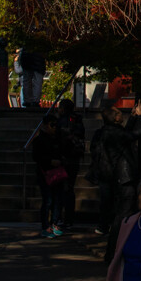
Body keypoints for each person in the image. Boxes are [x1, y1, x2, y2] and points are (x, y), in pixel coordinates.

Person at [88, 102, 141, 237]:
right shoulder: (115, 133)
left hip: (105, 173)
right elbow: (137, 134)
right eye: (119, 114)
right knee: (124, 203)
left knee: (106, 201)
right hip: (118, 173)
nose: (121, 115)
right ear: (115, 118)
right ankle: (117, 229)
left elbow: (125, 134)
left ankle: (104, 226)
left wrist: (132, 118)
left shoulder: (103, 132)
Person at [31, 116, 65, 237]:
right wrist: (50, 161)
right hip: (45, 173)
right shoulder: (39, 140)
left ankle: (54, 222)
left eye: (56, 125)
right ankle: (45, 225)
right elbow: (36, 157)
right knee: (48, 200)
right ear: (45, 125)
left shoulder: (57, 139)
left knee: (57, 199)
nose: (55, 128)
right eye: (52, 125)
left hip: (57, 172)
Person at [56, 97, 86, 228]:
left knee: (61, 188)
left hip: (63, 158)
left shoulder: (61, 122)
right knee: (70, 188)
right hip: (75, 158)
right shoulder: (78, 121)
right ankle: (69, 218)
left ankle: (60, 217)